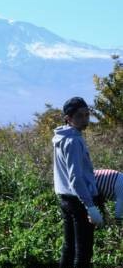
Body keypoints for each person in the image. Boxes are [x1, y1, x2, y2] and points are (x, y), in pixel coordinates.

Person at [53, 96, 102, 268]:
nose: (85, 120)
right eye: (80, 116)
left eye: (87, 115)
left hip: (66, 198)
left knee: (69, 247)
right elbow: (76, 177)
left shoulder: (61, 136)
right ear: (68, 118)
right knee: (83, 252)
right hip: (79, 200)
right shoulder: (73, 140)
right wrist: (90, 206)